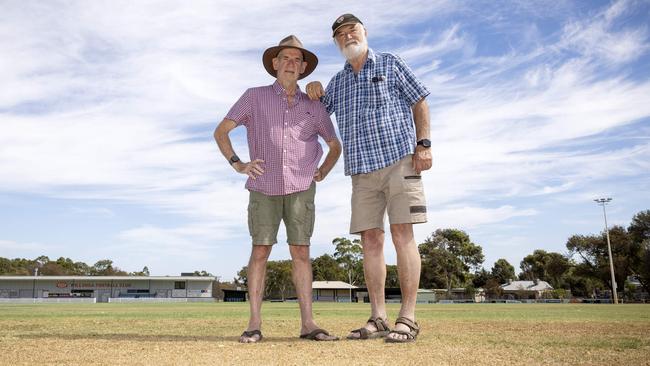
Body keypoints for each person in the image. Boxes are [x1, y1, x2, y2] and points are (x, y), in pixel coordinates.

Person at [306, 14, 432, 343]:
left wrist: (424, 144)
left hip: (400, 160)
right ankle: (378, 317)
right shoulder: (338, 82)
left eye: (353, 31)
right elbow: (316, 115)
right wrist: (313, 90)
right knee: (371, 242)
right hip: (361, 171)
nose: (347, 36)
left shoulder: (390, 64)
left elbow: (419, 100)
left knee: (403, 234)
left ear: (364, 33)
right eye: (340, 35)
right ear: (336, 43)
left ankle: (408, 318)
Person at [214, 35, 341, 343]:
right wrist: (238, 163)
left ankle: (308, 324)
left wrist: (322, 170)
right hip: (263, 187)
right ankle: (254, 324)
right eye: (285, 58)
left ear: (304, 67)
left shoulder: (314, 103)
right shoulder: (253, 96)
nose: (290, 64)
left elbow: (334, 144)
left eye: (297, 60)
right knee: (260, 251)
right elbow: (221, 131)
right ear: (274, 64)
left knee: (301, 251)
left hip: (301, 187)